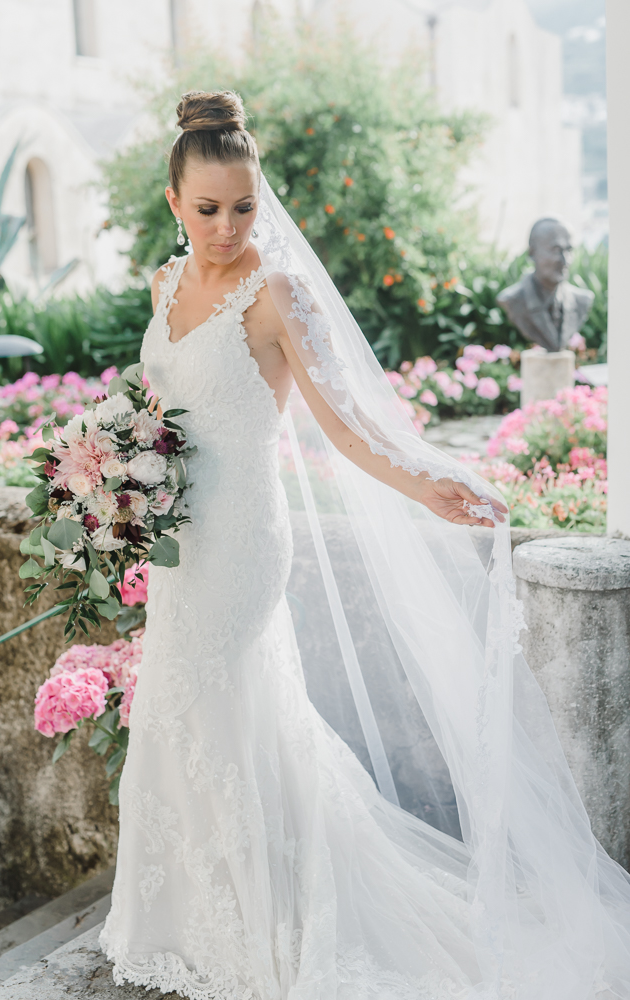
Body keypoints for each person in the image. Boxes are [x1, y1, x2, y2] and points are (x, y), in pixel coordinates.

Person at [100, 91, 630, 999]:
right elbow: (158, 409)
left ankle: (273, 929)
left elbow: (345, 426)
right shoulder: (163, 283)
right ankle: (193, 920)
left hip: (244, 547)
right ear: (172, 202)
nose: (226, 227)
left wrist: (432, 485)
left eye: (244, 206)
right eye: (206, 208)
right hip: (181, 543)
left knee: (232, 711)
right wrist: (111, 482)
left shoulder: (279, 293)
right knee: (182, 719)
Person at [496, 217, 594, 352]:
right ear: (532, 253)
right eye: (556, 250)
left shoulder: (582, 300)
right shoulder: (512, 300)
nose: (566, 260)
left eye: (569, 250)